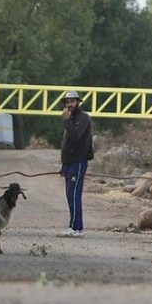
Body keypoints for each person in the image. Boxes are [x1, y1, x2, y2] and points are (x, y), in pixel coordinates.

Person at [56, 90, 93, 238]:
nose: (69, 105)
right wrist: (64, 166)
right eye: (67, 102)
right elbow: (68, 144)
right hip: (70, 164)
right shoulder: (71, 119)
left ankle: (75, 228)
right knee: (70, 195)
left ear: (78, 102)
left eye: (72, 101)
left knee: (74, 195)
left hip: (78, 163)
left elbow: (76, 136)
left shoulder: (83, 117)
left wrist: (66, 121)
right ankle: (76, 226)